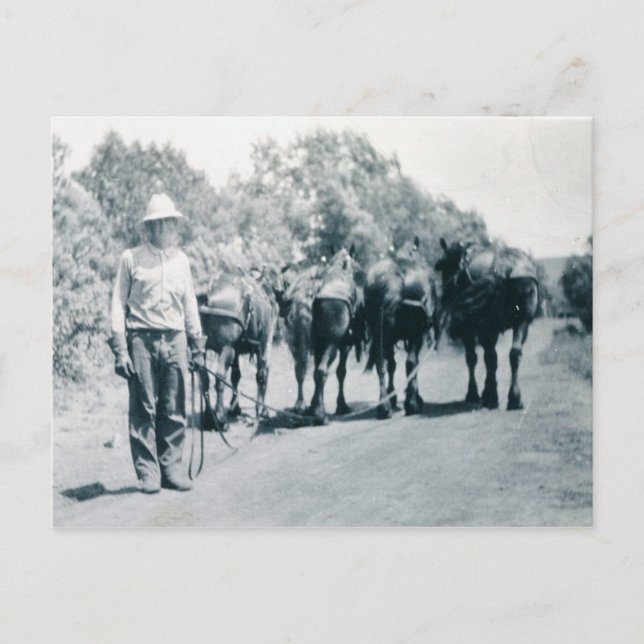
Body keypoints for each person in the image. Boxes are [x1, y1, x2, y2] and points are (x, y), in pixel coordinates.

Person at [108, 193, 207, 493]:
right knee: (143, 408)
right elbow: (117, 304)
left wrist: (197, 345)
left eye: (169, 223)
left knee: (174, 407)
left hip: (175, 339)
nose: (164, 228)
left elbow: (190, 303)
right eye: (158, 223)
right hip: (141, 339)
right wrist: (120, 349)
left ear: (176, 227)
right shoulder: (131, 258)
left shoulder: (182, 261)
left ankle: (171, 469)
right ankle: (148, 473)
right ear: (148, 228)